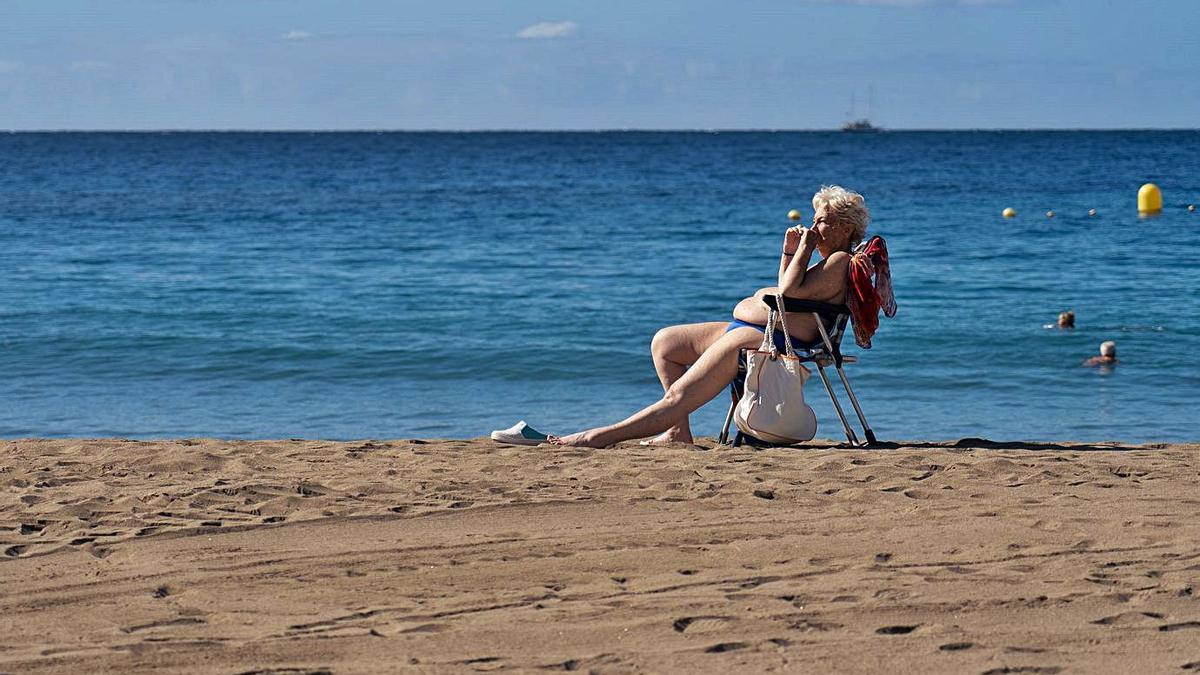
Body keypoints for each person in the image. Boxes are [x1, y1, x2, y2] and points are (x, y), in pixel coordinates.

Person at [550, 186, 870, 448]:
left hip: (775, 337)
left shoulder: (840, 259)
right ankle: (678, 432)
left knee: (679, 396)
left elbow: (786, 292)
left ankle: (596, 437)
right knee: (667, 342)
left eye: (822, 221)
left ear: (844, 227)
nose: (815, 228)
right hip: (761, 327)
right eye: (815, 221)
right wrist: (789, 252)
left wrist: (804, 247)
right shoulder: (828, 261)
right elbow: (792, 287)